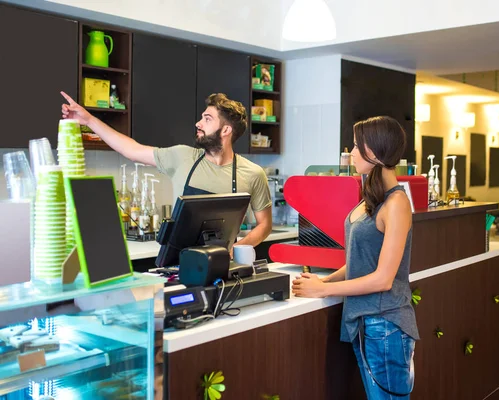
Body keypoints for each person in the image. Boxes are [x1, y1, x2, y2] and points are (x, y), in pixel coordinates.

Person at [292, 116, 419, 399]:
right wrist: (324, 279)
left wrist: (324, 289)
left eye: (356, 145)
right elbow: (360, 260)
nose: (350, 151)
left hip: (386, 325)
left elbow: (383, 278)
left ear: (373, 152)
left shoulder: (397, 203)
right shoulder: (372, 198)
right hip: (365, 322)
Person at [60, 91, 272, 248]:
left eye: (207, 119)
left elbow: (264, 225)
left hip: (224, 266)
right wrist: (88, 120)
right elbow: (131, 149)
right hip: (176, 265)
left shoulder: (252, 173)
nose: (198, 123)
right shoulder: (181, 156)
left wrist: (237, 248)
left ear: (226, 130)